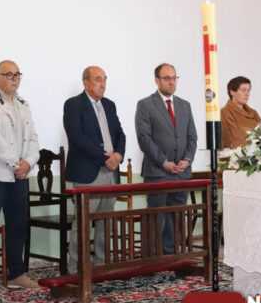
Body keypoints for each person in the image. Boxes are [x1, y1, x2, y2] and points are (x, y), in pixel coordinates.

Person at [0, 60, 40, 296]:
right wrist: (15, 163)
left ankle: (17, 273)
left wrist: (28, 162)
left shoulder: (24, 103)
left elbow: (32, 138)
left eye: (17, 75)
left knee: (18, 224)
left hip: (19, 175)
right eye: (9, 74)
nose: (14, 79)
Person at [63, 66, 126, 273]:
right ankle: (76, 268)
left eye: (104, 79)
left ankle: (101, 265)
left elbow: (120, 135)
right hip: (87, 172)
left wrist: (118, 155)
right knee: (82, 223)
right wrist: (105, 158)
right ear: (86, 82)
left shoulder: (109, 105)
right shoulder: (74, 104)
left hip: (110, 172)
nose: (103, 83)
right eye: (98, 79)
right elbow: (77, 138)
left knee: (105, 222)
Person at [134, 63, 197, 255]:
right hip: (158, 172)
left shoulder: (184, 105)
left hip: (181, 173)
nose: (171, 82)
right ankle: (152, 258)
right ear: (157, 80)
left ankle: (172, 256)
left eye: (174, 78)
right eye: (167, 78)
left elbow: (192, 137)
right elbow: (144, 139)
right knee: (157, 218)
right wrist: (164, 162)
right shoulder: (145, 105)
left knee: (176, 218)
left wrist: (187, 159)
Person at [221, 76, 261, 149]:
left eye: (248, 90)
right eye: (243, 90)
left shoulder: (254, 113)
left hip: (258, 153)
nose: (247, 94)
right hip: (237, 154)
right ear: (232, 92)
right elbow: (233, 140)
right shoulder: (225, 113)